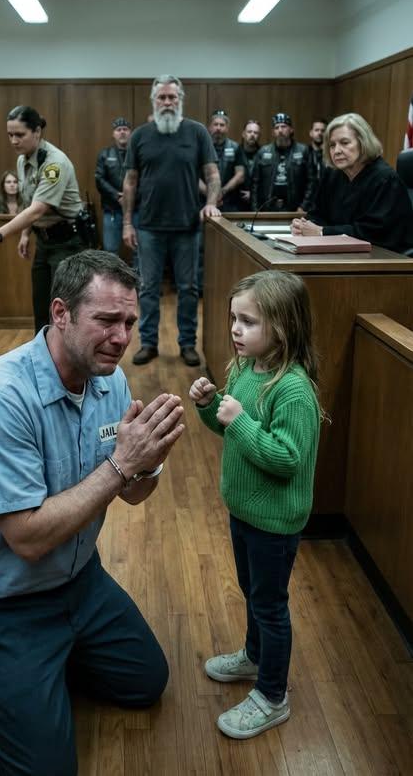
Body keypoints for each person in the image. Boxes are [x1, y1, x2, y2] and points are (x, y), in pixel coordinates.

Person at [0, 250, 185, 776]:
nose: (121, 337)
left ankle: (43, 661)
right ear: (60, 313)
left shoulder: (109, 380)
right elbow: (26, 538)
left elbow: (132, 494)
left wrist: (147, 463)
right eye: (106, 320)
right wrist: (123, 463)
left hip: (79, 582)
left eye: (129, 322)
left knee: (145, 683)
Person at [189, 270, 321, 740]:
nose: (235, 329)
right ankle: (254, 655)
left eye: (248, 321)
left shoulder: (293, 390)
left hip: (275, 522)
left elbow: (286, 458)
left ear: (282, 328)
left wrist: (240, 420)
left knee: (269, 605)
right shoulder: (246, 369)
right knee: (252, 591)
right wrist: (211, 406)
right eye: (234, 318)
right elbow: (231, 430)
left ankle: (272, 694)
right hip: (245, 511)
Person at [122, 74, 221, 367]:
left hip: (187, 227)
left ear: (180, 100)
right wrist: (127, 223)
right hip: (149, 227)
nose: (167, 102)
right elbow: (130, 182)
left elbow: (213, 175)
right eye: (162, 97)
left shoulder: (197, 132)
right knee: (148, 288)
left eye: (172, 97)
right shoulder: (139, 136)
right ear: (154, 101)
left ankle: (188, 344)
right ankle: (148, 343)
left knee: (188, 289)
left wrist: (210, 203)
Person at [0, 105, 85, 332]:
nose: (13, 141)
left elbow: (38, 209)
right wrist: (25, 233)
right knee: (41, 306)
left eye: (19, 134)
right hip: (44, 241)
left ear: (37, 132)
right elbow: (29, 200)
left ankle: (66, 353)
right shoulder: (23, 160)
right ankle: (42, 351)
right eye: (10, 135)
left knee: (63, 309)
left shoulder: (54, 163)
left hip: (67, 242)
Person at [292, 112, 413, 253]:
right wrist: (304, 226)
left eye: (344, 143)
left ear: (363, 143)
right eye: (332, 145)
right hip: (340, 253)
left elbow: (375, 232)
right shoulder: (332, 175)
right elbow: (317, 213)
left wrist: (322, 231)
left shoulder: (385, 179)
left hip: (384, 256)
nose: (337, 151)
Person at [95, 117, 138, 266]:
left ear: (131, 133)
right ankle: (112, 280)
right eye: (118, 130)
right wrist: (117, 196)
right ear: (113, 134)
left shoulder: (138, 154)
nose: (122, 132)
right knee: (110, 252)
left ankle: (138, 280)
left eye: (125, 129)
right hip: (112, 210)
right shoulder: (104, 154)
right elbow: (99, 180)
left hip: (136, 210)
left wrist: (130, 197)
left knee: (139, 250)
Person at [251, 112, 315, 213]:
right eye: (276, 127)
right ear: (273, 132)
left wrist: (304, 206)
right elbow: (255, 184)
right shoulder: (263, 152)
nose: (280, 130)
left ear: (291, 129)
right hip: (267, 208)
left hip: (296, 208)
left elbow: (311, 181)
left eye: (283, 126)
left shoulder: (303, 151)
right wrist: (255, 210)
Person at [200, 110, 246, 212]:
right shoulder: (201, 147)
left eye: (222, 125)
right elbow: (194, 175)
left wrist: (223, 191)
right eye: (215, 124)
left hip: (229, 203)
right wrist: (211, 194)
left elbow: (240, 175)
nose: (218, 128)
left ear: (227, 128)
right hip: (204, 202)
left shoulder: (235, 147)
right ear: (210, 127)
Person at [237, 120, 262, 210]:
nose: (252, 135)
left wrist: (253, 194)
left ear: (259, 136)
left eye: (255, 132)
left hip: (258, 202)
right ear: (243, 134)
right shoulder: (235, 151)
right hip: (236, 202)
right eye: (249, 132)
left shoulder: (264, 153)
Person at [307, 118, 328, 204]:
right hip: (308, 201)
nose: (320, 133)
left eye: (323, 130)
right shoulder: (305, 153)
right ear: (311, 133)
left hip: (326, 198)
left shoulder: (332, 154)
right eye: (316, 130)